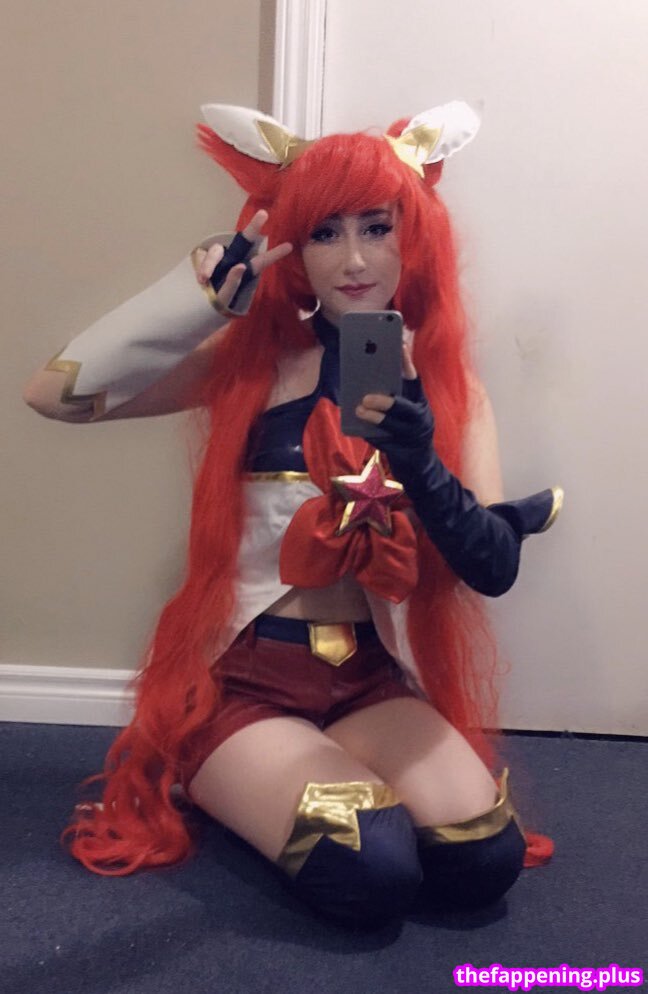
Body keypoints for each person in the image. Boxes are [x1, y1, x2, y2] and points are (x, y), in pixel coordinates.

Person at [23, 101, 562, 926]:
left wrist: (420, 459)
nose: (354, 259)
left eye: (376, 227)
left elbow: (491, 568)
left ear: (414, 235)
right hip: (247, 679)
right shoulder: (254, 365)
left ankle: (311, 769)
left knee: (481, 858)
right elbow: (58, 397)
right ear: (294, 250)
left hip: (367, 676)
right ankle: (218, 764)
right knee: (370, 870)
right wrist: (195, 300)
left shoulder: (456, 392)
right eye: (323, 233)